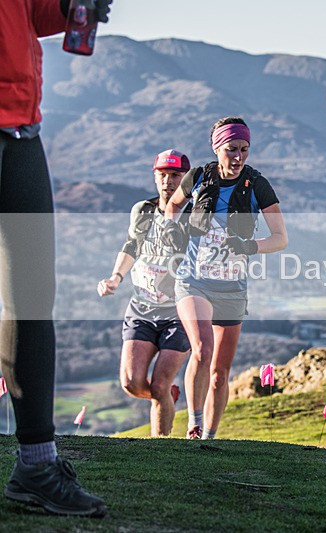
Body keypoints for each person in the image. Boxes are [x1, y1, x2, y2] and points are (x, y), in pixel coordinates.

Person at [1, 0, 110, 517]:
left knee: (29, 299)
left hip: (21, 126)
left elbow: (26, 13)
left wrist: (67, 7)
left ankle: (36, 467)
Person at [164, 117, 288, 440]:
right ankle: (194, 423)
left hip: (232, 286)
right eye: (231, 149)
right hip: (194, 279)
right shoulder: (199, 177)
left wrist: (249, 246)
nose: (238, 157)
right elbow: (173, 206)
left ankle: (210, 436)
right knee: (202, 350)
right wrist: (171, 234)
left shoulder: (257, 185)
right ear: (216, 147)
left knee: (220, 372)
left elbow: (281, 238)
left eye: (244, 150)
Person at [97, 149, 193, 436]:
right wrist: (116, 277)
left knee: (160, 383)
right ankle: (165, 400)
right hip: (141, 307)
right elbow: (132, 245)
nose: (168, 181)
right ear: (154, 177)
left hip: (180, 311)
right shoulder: (143, 210)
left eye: (175, 175)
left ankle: (159, 449)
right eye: (162, 175)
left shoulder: (195, 217)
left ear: (186, 179)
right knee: (131, 383)